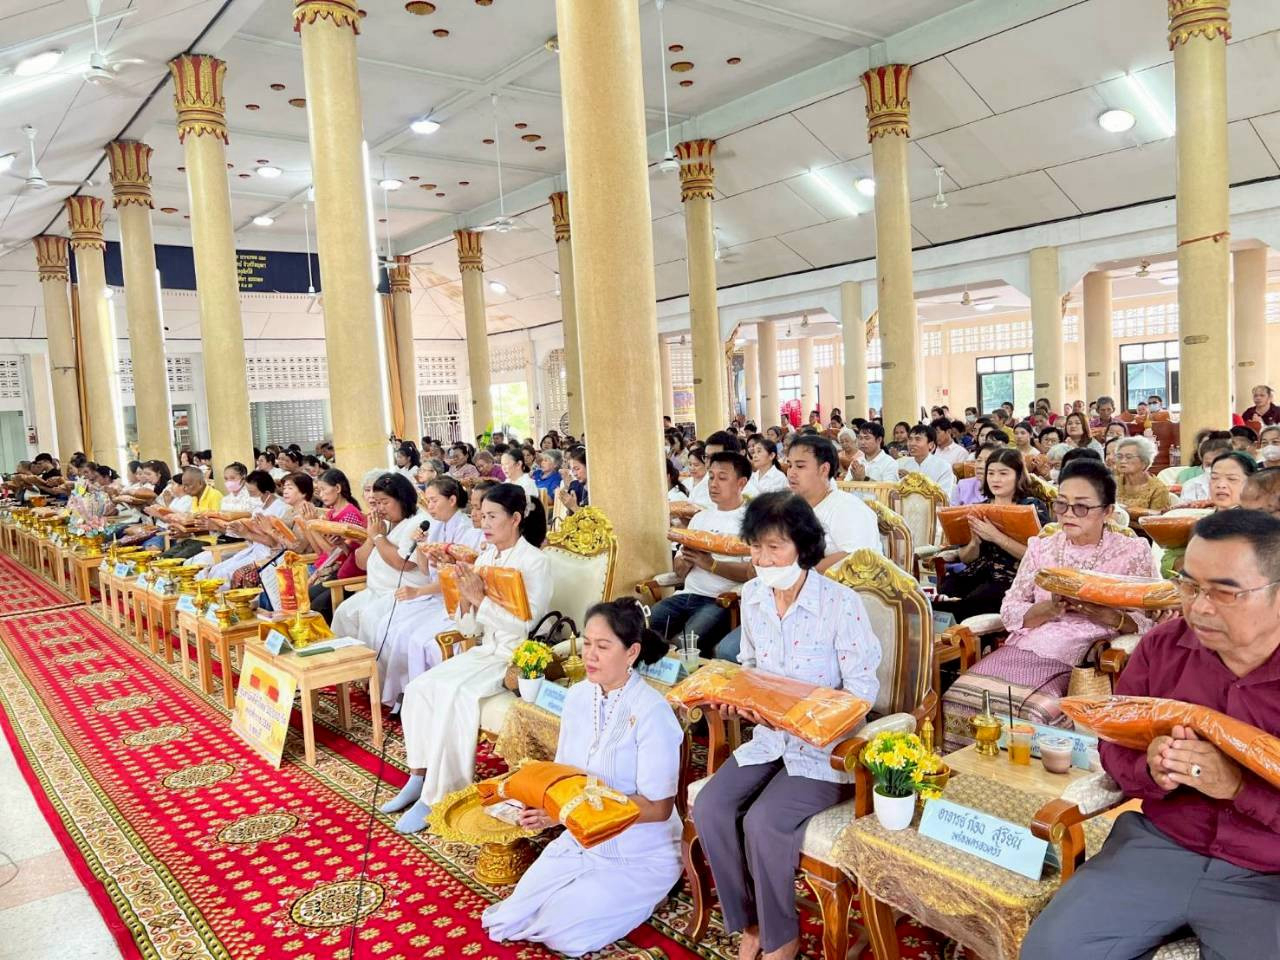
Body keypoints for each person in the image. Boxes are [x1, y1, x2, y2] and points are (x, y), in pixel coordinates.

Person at [1023, 510, 1280, 960]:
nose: (1199, 607)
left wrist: (1237, 786)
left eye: (1224, 592)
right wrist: (1151, 765)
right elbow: (1114, 743)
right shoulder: (1162, 647)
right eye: (1190, 585)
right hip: (1162, 845)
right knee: (1051, 950)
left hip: (1268, 871)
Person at [693, 492, 880, 960]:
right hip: (769, 738)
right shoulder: (754, 595)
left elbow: (861, 692)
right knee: (712, 805)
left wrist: (809, 715)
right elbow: (750, 665)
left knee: (763, 822)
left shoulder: (841, 603)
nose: (762, 559)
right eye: (756, 547)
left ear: (803, 546)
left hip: (823, 748)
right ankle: (751, 922)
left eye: (775, 547)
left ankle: (782, 938)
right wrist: (744, 702)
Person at [481, 598, 682, 957]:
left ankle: (653, 891)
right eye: (587, 643)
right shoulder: (577, 697)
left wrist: (567, 813)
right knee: (508, 917)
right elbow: (565, 776)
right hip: (581, 839)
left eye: (603, 646)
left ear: (632, 652)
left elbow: (658, 808)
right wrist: (547, 809)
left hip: (639, 851)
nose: (590, 655)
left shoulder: (653, 713)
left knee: (563, 935)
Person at [941, 459, 1158, 746]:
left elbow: (1148, 621)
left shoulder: (1131, 552)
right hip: (1031, 644)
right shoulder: (1043, 546)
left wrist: (1107, 615)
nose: (1069, 514)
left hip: (1087, 657)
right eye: (1061, 504)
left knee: (1033, 713)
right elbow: (1011, 608)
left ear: (1107, 511)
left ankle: (1037, 787)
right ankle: (972, 780)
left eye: (1081, 507)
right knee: (960, 696)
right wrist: (1046, 610)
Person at [386, 485, 551, 833]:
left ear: (516, 519)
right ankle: (419, 775)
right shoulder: (486, 557)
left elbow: (527, 624)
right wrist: (462, 595)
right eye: (482, 515)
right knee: (418, 688)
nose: (484, 523)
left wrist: (481, 599)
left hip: (513, 655)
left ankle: (440, 796)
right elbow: (468, 626)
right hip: (484, 648)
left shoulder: (535, 561)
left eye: (492, 516)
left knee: (453, 696)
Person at [375, 477, 484, 710]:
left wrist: (418, 591)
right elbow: (427, 571)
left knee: (416, 638)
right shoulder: (434, 526)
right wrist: (423, 548)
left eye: (434, 501)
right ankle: (400, 692)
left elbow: (457, 577)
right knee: (392, 625)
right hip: (437, 593)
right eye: (428, 501)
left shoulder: (467, 530)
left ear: (452, 500)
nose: (430, 507)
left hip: (454, 597)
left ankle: (423, 701)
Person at [648, 452, 753, 657]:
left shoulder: (752, 521)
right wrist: (686, 561)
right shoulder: (700, 518)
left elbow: (751, 573)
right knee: (641, 631)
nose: (713, 484)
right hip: (686, 595)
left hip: (719, 601)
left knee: (683, 646)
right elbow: (679, 572)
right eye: (711, 477)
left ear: (741, 482)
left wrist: (710, 564)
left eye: (722, 478)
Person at [934, 448, 1050, 621]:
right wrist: (974, 542)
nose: (996, 479)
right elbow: (967, 558)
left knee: (966, 606)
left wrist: (995, 536)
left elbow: (1037, 557)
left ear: (1018, 476)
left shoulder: (1032, 506)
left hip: (1010, 579)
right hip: (975, 574)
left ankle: (966, 642)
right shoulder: (978, 507)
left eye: (1003, 473)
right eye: (991, 473)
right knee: (939, 596)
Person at [330, 473, 430, 649]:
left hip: (400, 594)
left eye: (385, 502)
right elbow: (361, 562)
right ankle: (351, 668)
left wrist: (378, 536)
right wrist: (371, 537)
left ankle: (374, 671)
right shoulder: (383, 522)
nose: (380, 508)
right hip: (375, 592)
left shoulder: (419, 522)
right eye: (376, 503)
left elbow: (404, 563)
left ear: (403, 499)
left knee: (370, 619)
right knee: (343, 613)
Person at [785, 434, 881, 571]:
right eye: (789, 465)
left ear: (824, 469)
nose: (791, 473)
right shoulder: (792, 508)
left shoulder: (847, 508)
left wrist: (799, 575)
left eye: (800, 466)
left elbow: (857, 557)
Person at [303, 468, 367, 617]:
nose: (321, 494)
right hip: (328, 565)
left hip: (343, 569)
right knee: (304, 595)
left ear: (337, 488)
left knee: (316, 604)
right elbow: (322, 551)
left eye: (324, 490)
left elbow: (337, 554)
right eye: (319, 490)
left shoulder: (350, 514)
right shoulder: (331, 513)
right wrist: (311, 526)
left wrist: (313, 525)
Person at [1114, 436, 1174, 515]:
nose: (1122, 461)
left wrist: (1125, 511)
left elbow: (1157, 521)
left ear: (1144, 462)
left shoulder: (1158, 489)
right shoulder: (1112, 483)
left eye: (1129, 457)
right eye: (1119, 456)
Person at [896, 424, 957, 497]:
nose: (912, 443)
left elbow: (942, 497)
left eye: (917, 439)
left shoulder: (943, 466)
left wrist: (912, 480)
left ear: (930, 444)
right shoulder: (900, 463)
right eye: (910, 439)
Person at [951, 442, 998, 506]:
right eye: (979, 460)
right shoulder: (962, 485)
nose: (980, 466)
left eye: (987, 462)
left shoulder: (1003, 490)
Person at [558, 446, 588, 514]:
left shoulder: (597, 490)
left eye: (577, 469)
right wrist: (569, 507)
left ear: (588, 465)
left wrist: (573, 506)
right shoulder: (574, 486)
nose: (574, 474)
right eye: (572, 469)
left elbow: (595, 521)